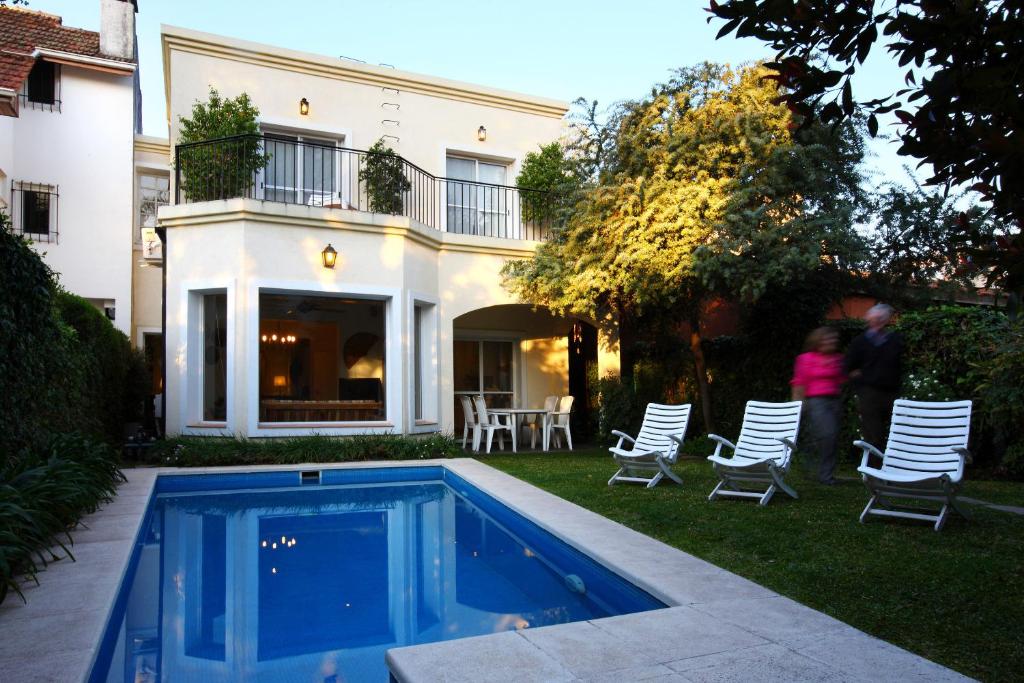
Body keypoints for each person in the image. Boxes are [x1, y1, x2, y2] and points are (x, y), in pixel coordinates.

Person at [791, 327, 846, 484]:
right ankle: (824, 474)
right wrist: (798, 404)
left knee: (831, 437)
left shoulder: (838, 358)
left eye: (833, 339)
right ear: (818, 341)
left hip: (834, 400)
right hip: (816, 401)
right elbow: (798, 382)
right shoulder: (806, 358)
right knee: (828, 434)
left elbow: (842, 379)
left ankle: (822, 470)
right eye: (827, 339)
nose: (831, 342)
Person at [845, 303, 903, 451]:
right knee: (873, 433)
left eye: (881, 318)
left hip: (892, 392)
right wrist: (861, 381)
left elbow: (899, 363)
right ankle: (872, 470)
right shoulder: (860, 341)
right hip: (869, 393)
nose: (877, 321)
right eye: (874, 318)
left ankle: (891, 465)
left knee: (895, 431)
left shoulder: (894, 339)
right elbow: (848, 366)